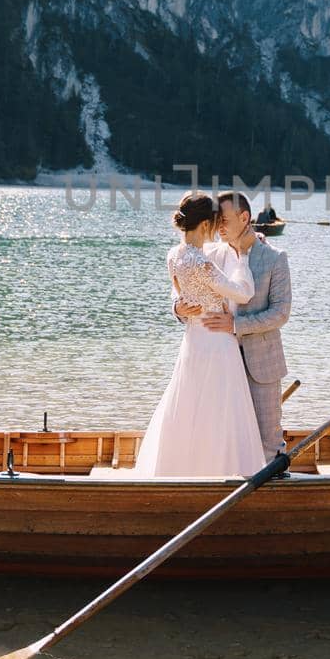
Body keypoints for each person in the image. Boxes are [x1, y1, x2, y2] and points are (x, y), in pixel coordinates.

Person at [135, 192, 265, 476]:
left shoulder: (175, 255)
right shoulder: (200, 261)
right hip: (217, 342)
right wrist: (243, 256)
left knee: (189, 406)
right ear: (206, 224)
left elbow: (182, 291)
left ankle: (182, 469)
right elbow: (243, 293)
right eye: (215, 222)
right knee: (220, 412)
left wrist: (181, 305)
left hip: (194, 341)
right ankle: (221, 470)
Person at [176, 191, 292, 463]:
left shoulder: (275, 258)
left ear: (245, 218)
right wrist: (177, 308)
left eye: (224, 220)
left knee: (267, 441)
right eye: (216, 221)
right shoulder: (210, 255)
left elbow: (280, 313)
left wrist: (235, 325)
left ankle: (274, 487)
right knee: (221, 437)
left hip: (260, 363)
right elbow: (182, 285)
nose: (218, 227)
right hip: (217, 362)